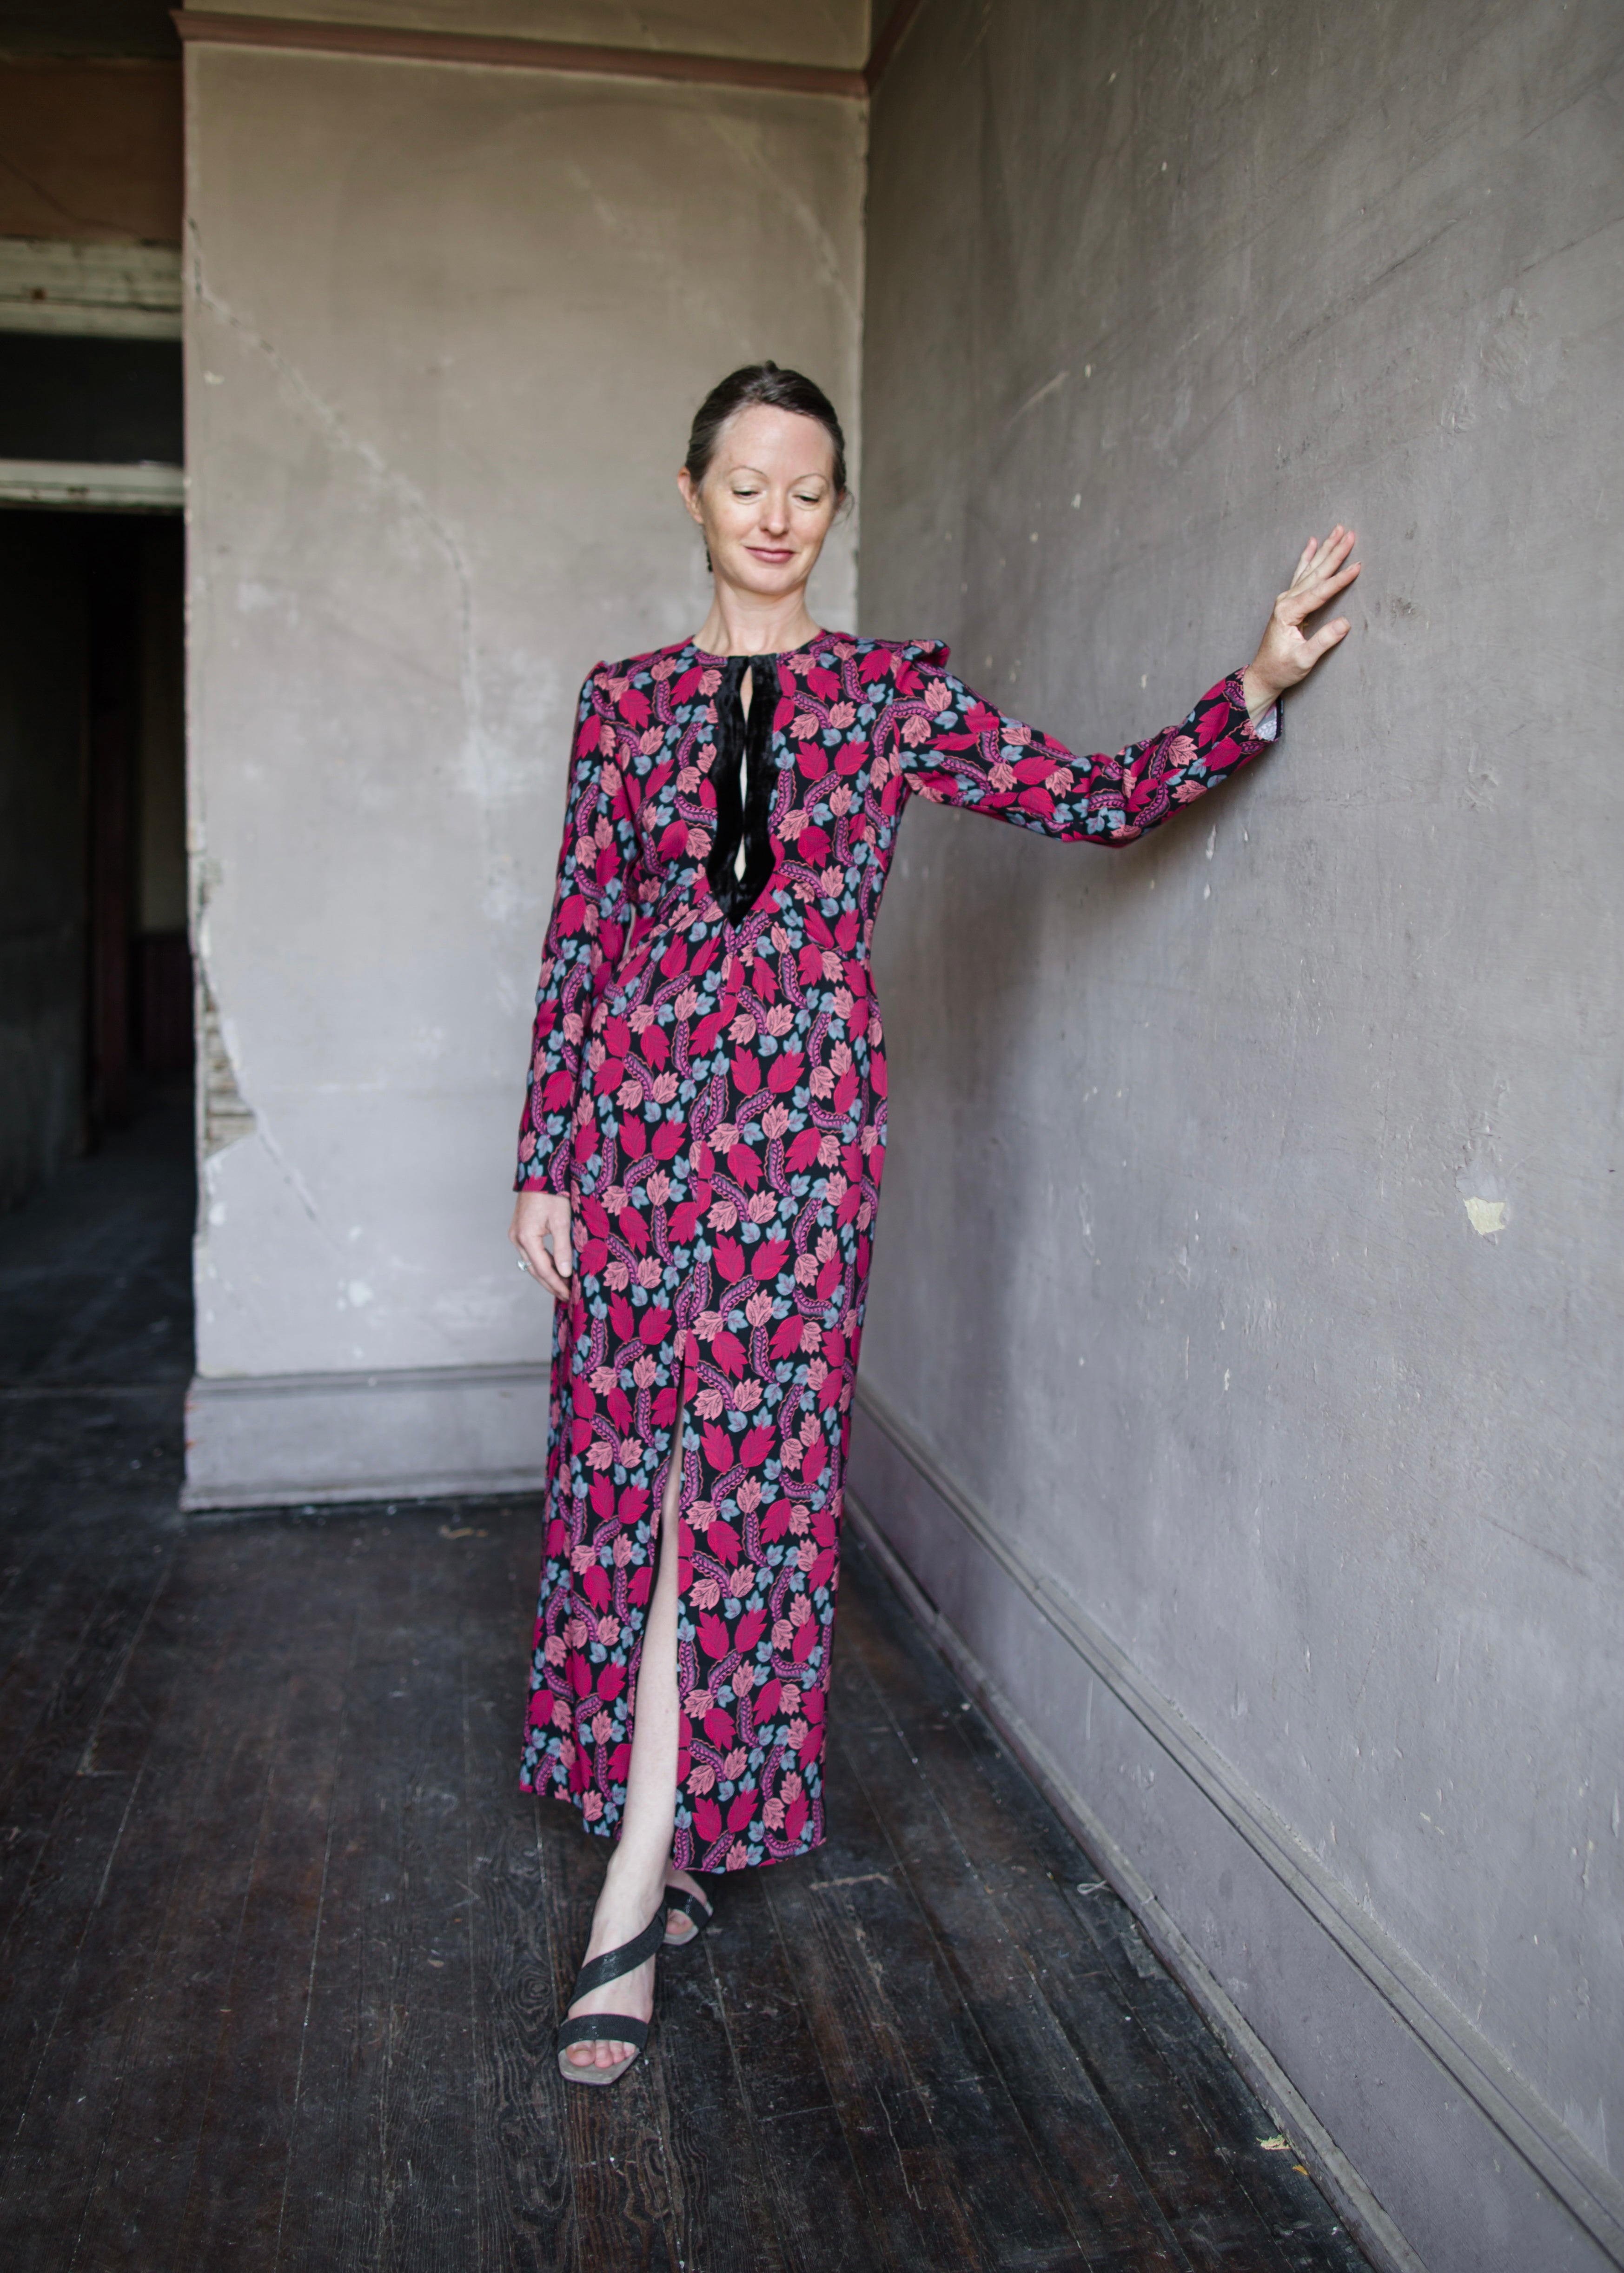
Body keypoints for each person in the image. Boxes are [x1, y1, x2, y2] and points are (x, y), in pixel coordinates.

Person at [508, 361, 1359, 2084]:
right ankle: (661, 1838)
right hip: (633, 1139)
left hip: (804, 1149)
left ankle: (628, 1883)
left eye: (805, 489)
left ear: (835, 509)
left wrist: (1253, 687)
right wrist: (545, 1157)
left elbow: (1091, 797)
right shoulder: (618, 705)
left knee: (736, 1487)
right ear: (692, 495)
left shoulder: (891, 697)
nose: (773, 514)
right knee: (626, 1476)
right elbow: (582, 934)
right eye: (743, 482)